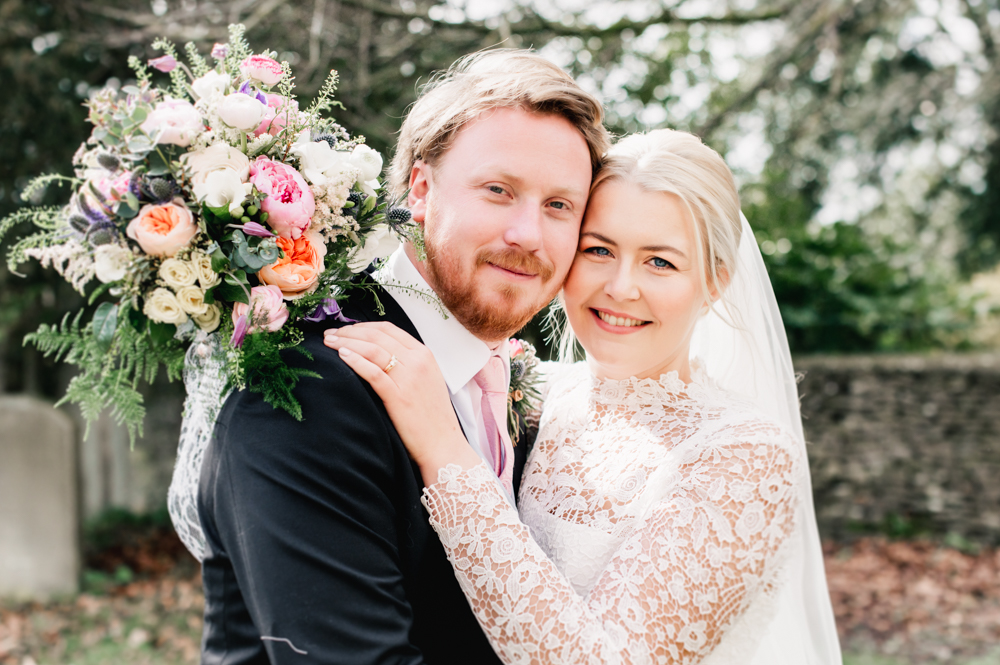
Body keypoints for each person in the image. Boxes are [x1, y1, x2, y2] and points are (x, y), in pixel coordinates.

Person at [325, 129, 843, 664]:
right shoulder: (533, 392)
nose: (621, 287)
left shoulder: (745, 457)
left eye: (660, 262)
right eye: (599, 249)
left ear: (714, 282)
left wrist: (443, 447)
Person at [196, 50, 610, 664]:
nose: (528, 234)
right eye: (498, 191)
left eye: (559, 206)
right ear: (420, 190)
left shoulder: (513, 384)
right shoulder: (313, 385)